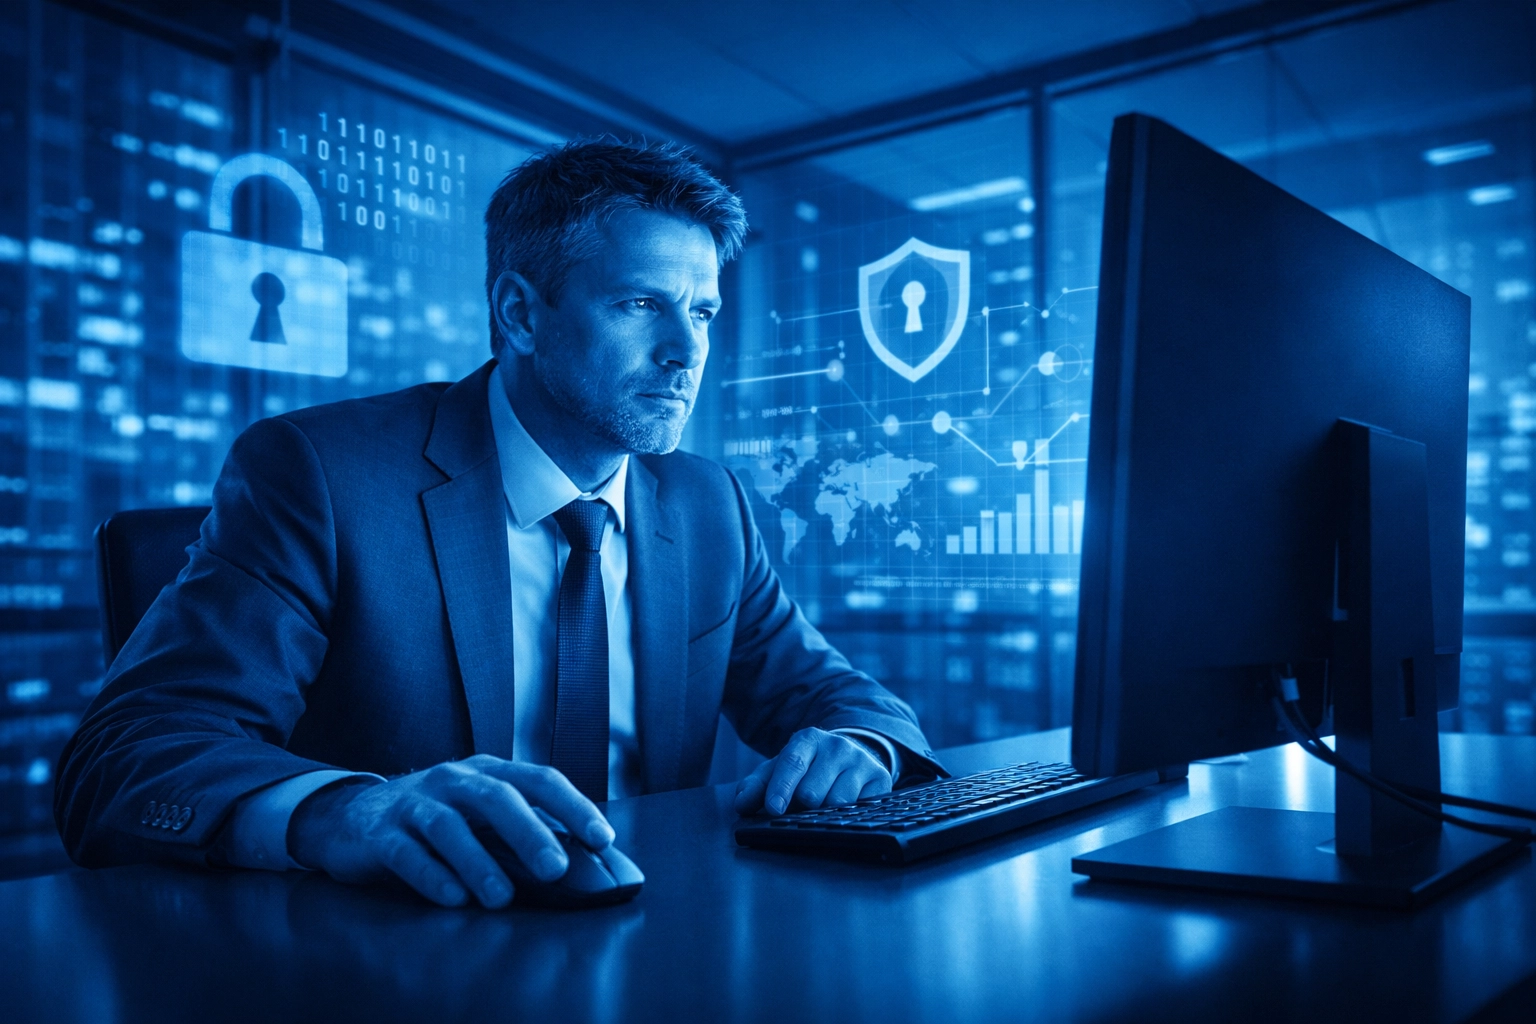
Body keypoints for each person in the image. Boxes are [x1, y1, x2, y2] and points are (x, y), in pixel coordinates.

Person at [56, 138, 943, 908]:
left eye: (702, 310)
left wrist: (858, 745)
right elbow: (128, 755)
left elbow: (844, 698)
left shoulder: (710, 506)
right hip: (392, 959)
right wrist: (349, 811)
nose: (686, 351)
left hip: (661, 940)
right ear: (520, 313)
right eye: (641, 305)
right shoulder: (320, 475)